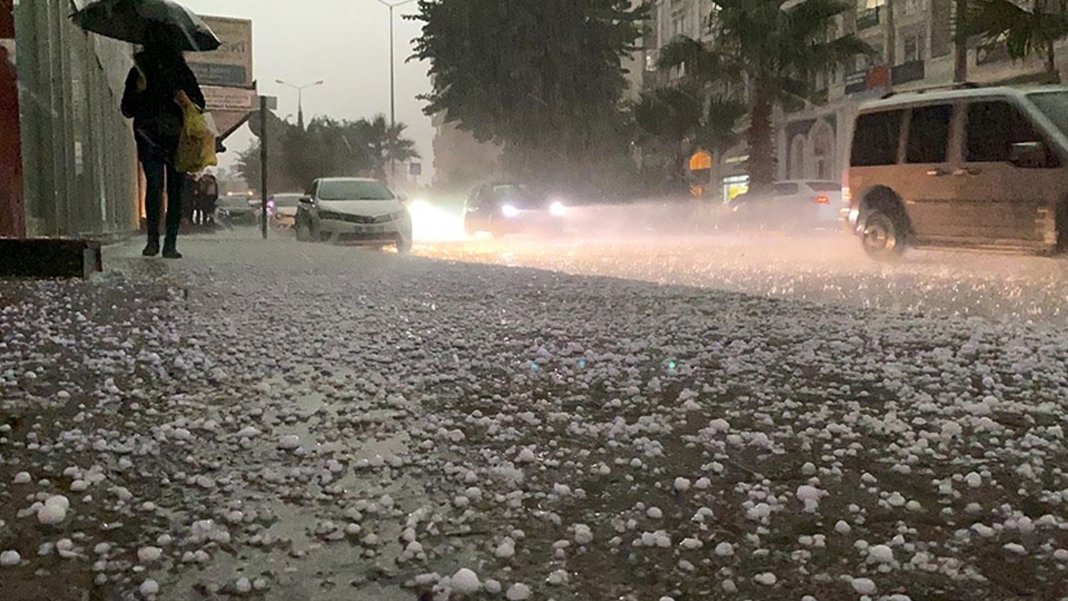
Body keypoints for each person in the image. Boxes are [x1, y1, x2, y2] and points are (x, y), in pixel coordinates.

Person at [121, 23, 205, 259]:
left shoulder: (145, 70)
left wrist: (141, 93)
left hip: (160, 137)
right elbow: (201, 103)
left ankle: (157, 243)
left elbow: (127, 110)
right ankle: (165, 244)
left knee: (158, 187)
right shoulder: (154, 72)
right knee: (170, 189)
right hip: (166, 138)